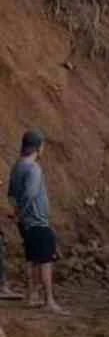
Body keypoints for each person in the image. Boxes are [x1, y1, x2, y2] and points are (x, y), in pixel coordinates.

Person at [8, 129, 66, 314]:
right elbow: (30, 195)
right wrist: (22, 213)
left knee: (31, 258)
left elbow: (10, 195)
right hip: (37, 221)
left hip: (25, 223)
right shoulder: (34, 168)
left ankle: (31, 296)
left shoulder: (17, 166)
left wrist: (17, 212)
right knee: (45, 261)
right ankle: (49, 301)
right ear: (37, 147)